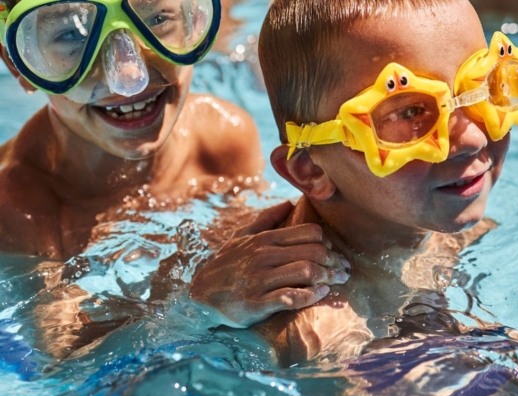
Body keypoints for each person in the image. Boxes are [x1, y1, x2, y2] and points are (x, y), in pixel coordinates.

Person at [237, 0, 518, 375]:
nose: (472, 137)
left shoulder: (431, 223)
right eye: (410, 113)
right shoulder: (321, 334)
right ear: (311, 169)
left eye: (485, 86)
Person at [0, 0, 351, 353]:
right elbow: (68, 366)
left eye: (156, 19)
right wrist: (193, 307)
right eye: (71, 36)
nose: (128, 79)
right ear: (18, 63)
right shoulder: (19, 211)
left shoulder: (220, 138)